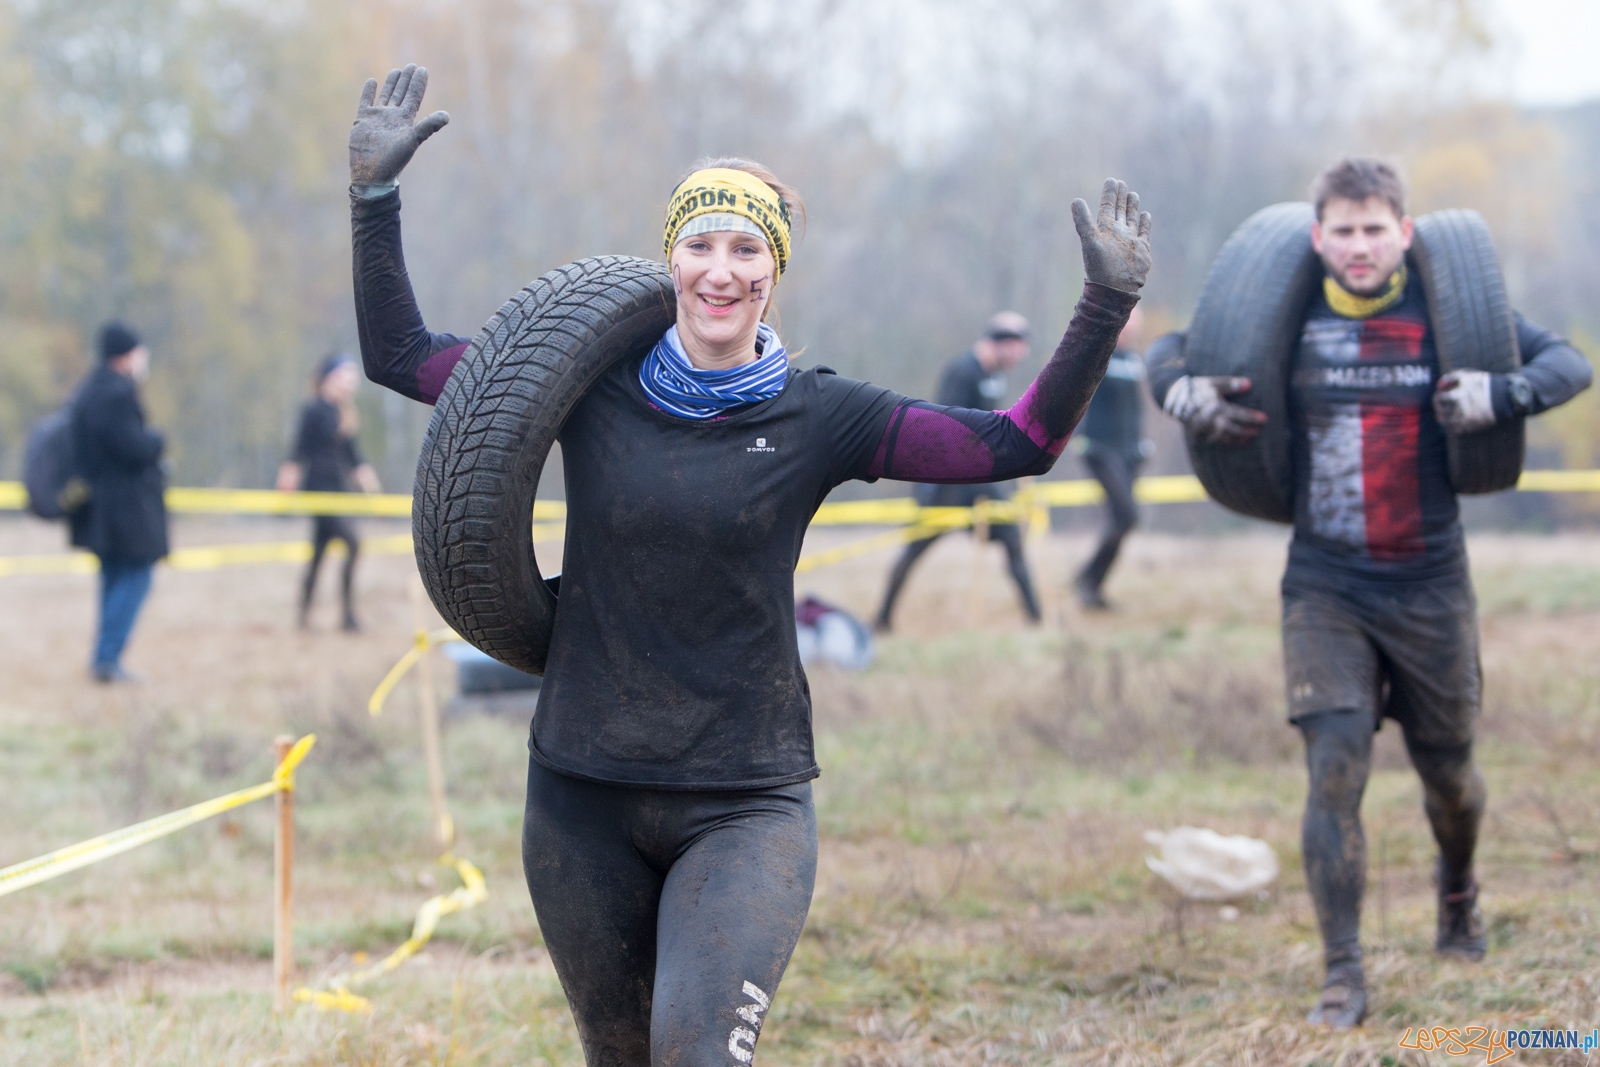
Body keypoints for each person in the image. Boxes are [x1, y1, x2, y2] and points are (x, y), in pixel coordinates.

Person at [347, 64, 1151, 1067]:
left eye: (746, 248)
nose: (719, 270)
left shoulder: (820, 413)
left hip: (743, 798)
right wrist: (373, 199)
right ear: (669, 258)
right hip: (579, 790)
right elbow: (398, 355)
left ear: (774, 269)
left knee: (698, 1055)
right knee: (620, 1054)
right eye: (699, 244)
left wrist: (1104, 305)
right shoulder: (582, 383)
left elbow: (1012, 443)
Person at [1148, 158, 1592, 1030]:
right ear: (1318, 237)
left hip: (1430, 579)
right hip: (1326, 581)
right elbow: (1174, 350)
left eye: (1374, 228)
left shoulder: (1448, 311)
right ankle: (1342, 973)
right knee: (1334, 768)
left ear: (1405, 232)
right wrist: (1183, 391)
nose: (1358, 245)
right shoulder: (1289, 304)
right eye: (1343, 231)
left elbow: (1569, 363)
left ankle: (1457, 889)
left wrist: (1507, 392)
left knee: (1451, 778)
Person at [872, 311, 1043, 632]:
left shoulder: (995, 375)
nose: (1022, 355)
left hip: (981, 480)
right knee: (915, 549)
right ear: (1001, 342)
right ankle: (882, 618)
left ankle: (1036, 620)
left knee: (1013, 540)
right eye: (1019, 346)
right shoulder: (963, 372)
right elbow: (942, 430)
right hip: (947, 482)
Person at [69, 322, 168, 683]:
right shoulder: (117, 393)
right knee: (136, 577)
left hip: (99, 506)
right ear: (126, 355)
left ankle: (104, 656)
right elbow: (132, 448)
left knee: (113, 578)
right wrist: (157, 440)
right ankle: (107, 660)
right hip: (126, 507)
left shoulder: (87, 391)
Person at [276, 353, 381, 631]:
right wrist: (287, 480)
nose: (349, 384)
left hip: (339, 491)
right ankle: (346, 616)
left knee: (319, 553)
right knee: (352, 543)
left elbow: (353, 455)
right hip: (319, 491)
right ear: (328, 379)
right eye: (344, 377)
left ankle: (305, 617)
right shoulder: (313, 410)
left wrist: (370, 486)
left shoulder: (344, 413)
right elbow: (299, 450)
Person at [1072, 306, 1147, 610]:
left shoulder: (1134, 360)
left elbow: (1135, 408)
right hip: (1101, 448)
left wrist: (1142, 445)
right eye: (1127, 322)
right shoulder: (1099, 353)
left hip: (1130, 452)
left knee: (1122, 521)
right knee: (1127, 515)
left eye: (1135, 324)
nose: (1131, 329)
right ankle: (1086, 578)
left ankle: (1091, 587)